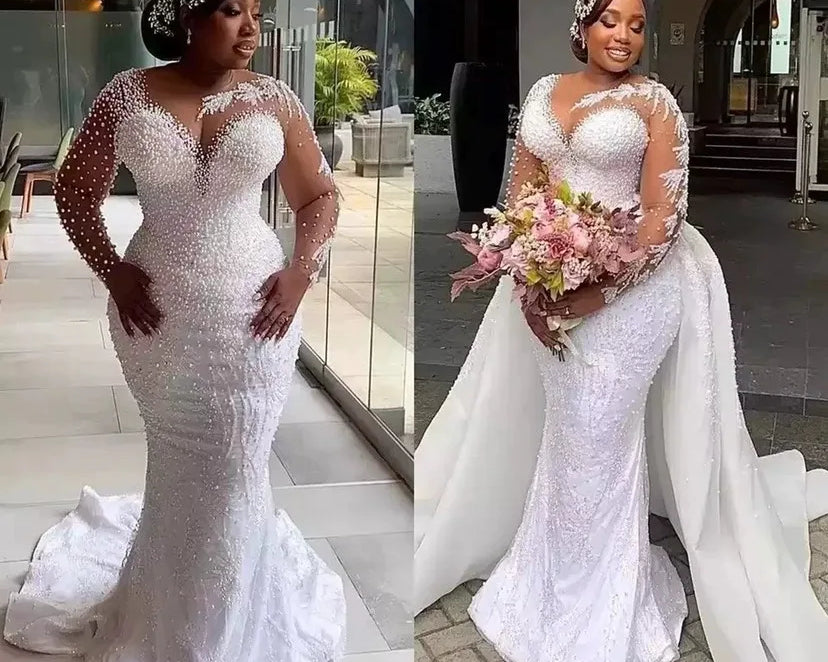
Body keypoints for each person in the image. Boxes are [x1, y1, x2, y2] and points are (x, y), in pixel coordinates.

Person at [413, 0, 828, 661]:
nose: (625, 37)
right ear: (583, 26)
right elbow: (524, 190)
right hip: (549, 283)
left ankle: (604, 600)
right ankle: (551, 576)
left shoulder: (655, 104)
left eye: (637, 25)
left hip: (635, 296)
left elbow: (664, 215)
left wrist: (596, 293)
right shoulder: (546, 92)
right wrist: (529, 275)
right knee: (569, 432)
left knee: (597, 435)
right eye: (612, 22)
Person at [3, 1, 346, 660]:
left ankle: (230, 620)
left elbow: (320, 196)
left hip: (256, 313)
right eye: (230, 11)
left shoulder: (274, 97)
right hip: (157, 316)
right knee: (183, 463)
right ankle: (167, 610)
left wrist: (302, 273)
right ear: (187, 16)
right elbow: (76, 192)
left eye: (256, 12)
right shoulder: (128, 93)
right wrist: (113, 272)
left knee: (237, 464)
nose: (251, 27)